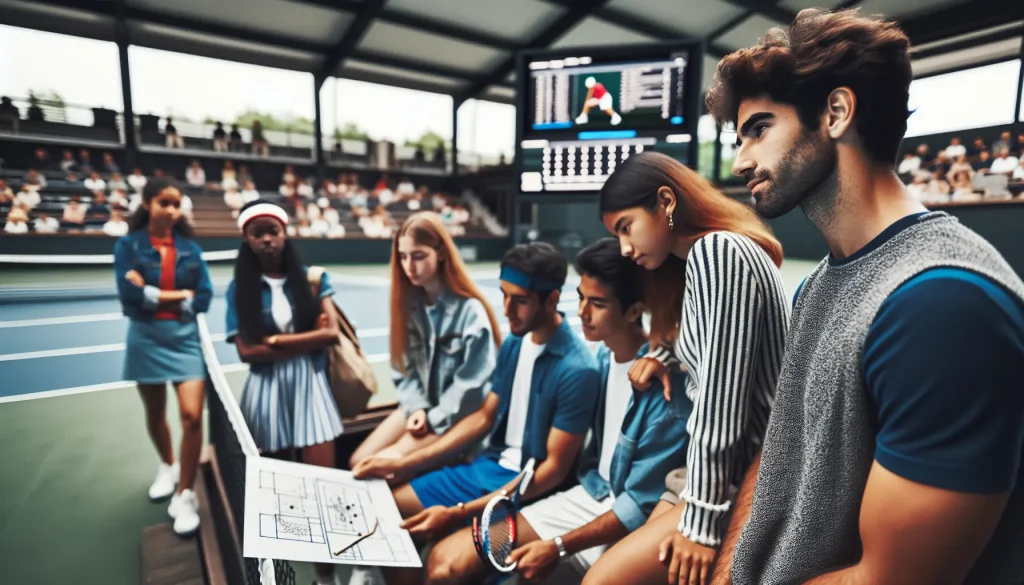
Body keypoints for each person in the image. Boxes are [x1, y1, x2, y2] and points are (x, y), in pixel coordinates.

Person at [702, 9, 1024, 585]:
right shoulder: (817, 286)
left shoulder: (943, 305)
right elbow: (780, 459)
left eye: (759, 129)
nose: (740, 161)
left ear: (836, 112)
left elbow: (888, 578)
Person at [432, 238, 692, 584]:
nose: (582, 312)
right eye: (581, 297)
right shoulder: (598, 360)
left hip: (628, 520)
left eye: (597, 303)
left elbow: (639, 505)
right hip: (590, 494)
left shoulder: (665, 394)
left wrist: (558, 546)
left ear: (633, 310)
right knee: (445, 561)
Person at [585, 150, 790, 585]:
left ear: (665, 202)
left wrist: (701, 525)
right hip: (717, 473)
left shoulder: (719, 253)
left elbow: (721, 406)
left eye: (627, 228)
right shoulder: (700, 261)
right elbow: (714, 348)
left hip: (752, 477)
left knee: (599, 581)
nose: (625, 248)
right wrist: (661, 356)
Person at [354, 242, 601, 585]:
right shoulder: (516, 341)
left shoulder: (578, 370)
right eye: (504, 295)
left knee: (441, 570)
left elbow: (552, 473)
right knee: (386, 510)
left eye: (521, 300)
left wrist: (457, 513)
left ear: (552, 299)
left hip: (525, 488)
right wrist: (404, 463)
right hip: (486, 467)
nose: (507, 310)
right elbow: (485, 417)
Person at [225, 200, 344, 585]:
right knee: (282, 497)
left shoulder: (313, 279)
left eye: (272, 231)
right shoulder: (237, 288)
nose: (266, 240)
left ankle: (327, 577)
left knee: (323, 489)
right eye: (257, 233)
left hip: (311, 386)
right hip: (266, 391)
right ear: (246, 239)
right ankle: (284, 572)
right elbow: (247, 351)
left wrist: (275, 340)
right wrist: (305, 341)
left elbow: (332, 335)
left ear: (284, 233)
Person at [348, 212, 500, 469]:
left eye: (419, 256)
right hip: (422, 408)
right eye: (403, 257)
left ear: (440, 253)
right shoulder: (409, 307)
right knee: (356, 459)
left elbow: (470, 391)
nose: (409, 267)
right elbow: (404, 371)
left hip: (455, 419)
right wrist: (416, 407)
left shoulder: (470, 313)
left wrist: (430, 418)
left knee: (368, 467)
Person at [113, 178, 213, 537]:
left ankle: (185, 493)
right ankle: (168, 466)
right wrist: (175, 294)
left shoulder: (191, 249)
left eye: (176, 204)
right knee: (155, 414)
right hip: (145, 338)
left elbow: (202, 298)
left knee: (191, 417)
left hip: (184, 339)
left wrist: (152, 292)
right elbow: (129, 296)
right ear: (147, 204)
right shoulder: (128, 246)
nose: (172, 211)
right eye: (164, 203)